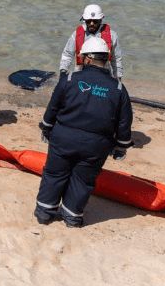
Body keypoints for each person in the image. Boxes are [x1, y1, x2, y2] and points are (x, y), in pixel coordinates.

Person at [35, 37, 134, 228]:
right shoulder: (119, 89)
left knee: (55, 174)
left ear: (87, 59)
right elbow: (124, 123)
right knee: (82, 180)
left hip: (64, 139)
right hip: (96, 146)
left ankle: (45, 213)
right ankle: (72, 217)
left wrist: (46, 128)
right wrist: (121, 147)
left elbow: (52, 109)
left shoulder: (70, 79)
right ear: (106, 60)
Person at [59, 4, 124, 80]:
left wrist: (118, 78)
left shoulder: (112, 35)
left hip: (104, 74)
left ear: (101, 20)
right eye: (88, 21)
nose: (91, 24)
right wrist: (63, 72)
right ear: (84, 20)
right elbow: (67, 54)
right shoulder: (77, 34)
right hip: (80, 72)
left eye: (95, 21)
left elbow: (116, 59)